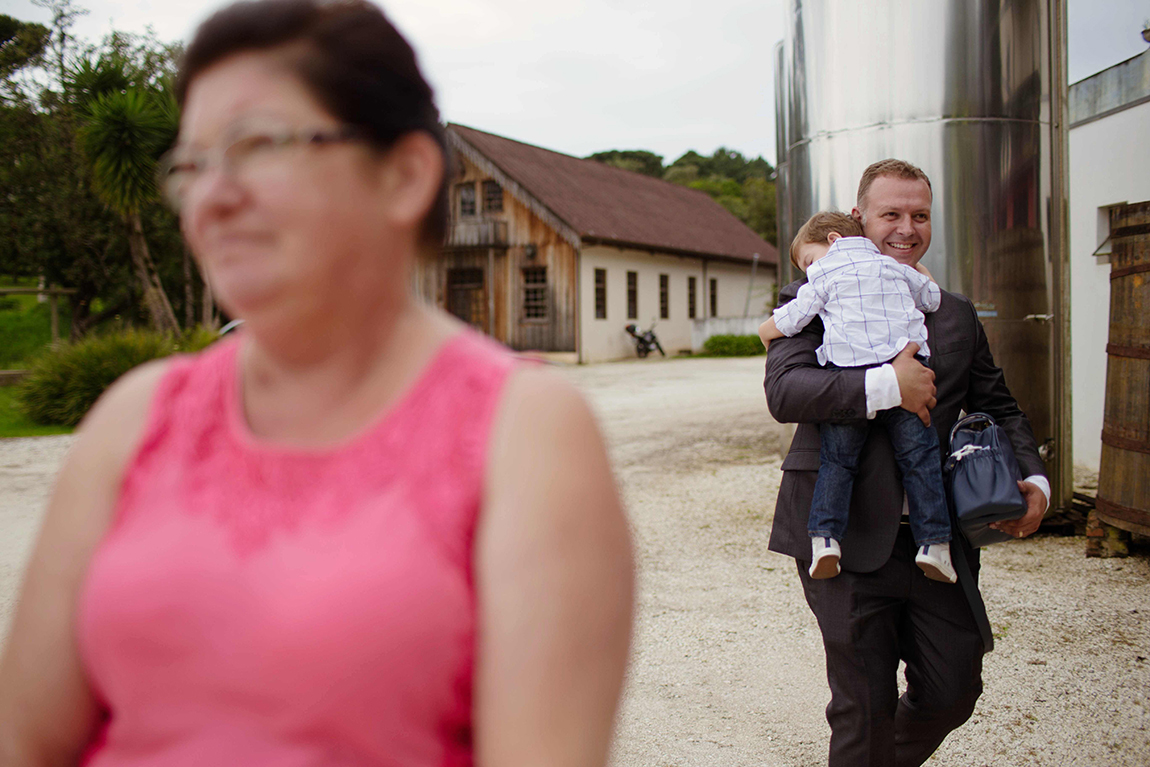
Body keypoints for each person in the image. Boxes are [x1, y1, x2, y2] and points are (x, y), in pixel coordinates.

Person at [0, 2, 634, 765]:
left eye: (257, 145)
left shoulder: (526, 433)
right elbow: (25, 739)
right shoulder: (135, 416)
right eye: (192, 164)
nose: (212, 197)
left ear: (404, 175)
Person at [764, 159, 1050, 767]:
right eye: (890, 213)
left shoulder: (952, 311)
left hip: (935, 540)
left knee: (953, 691)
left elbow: (1000, 407)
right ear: (858, 217)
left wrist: (1037, 480)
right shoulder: (816, 287)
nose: (905, 228)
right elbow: (785, 393)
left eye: (919, 216)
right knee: (862, 707)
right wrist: (887, 384)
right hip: (840, 540)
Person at [758, 211, 955, 584]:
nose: (808, 270)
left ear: (833, 240)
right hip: (907, 375)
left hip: (847, 370)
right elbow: (931, 298)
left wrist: (765, 331)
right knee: (921, 460)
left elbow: (792, 318)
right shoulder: (893, 267)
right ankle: (935, 546)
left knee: (838, 462)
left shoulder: (825, 274)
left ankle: (825, 539)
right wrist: (923, 279)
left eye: (809, 260)